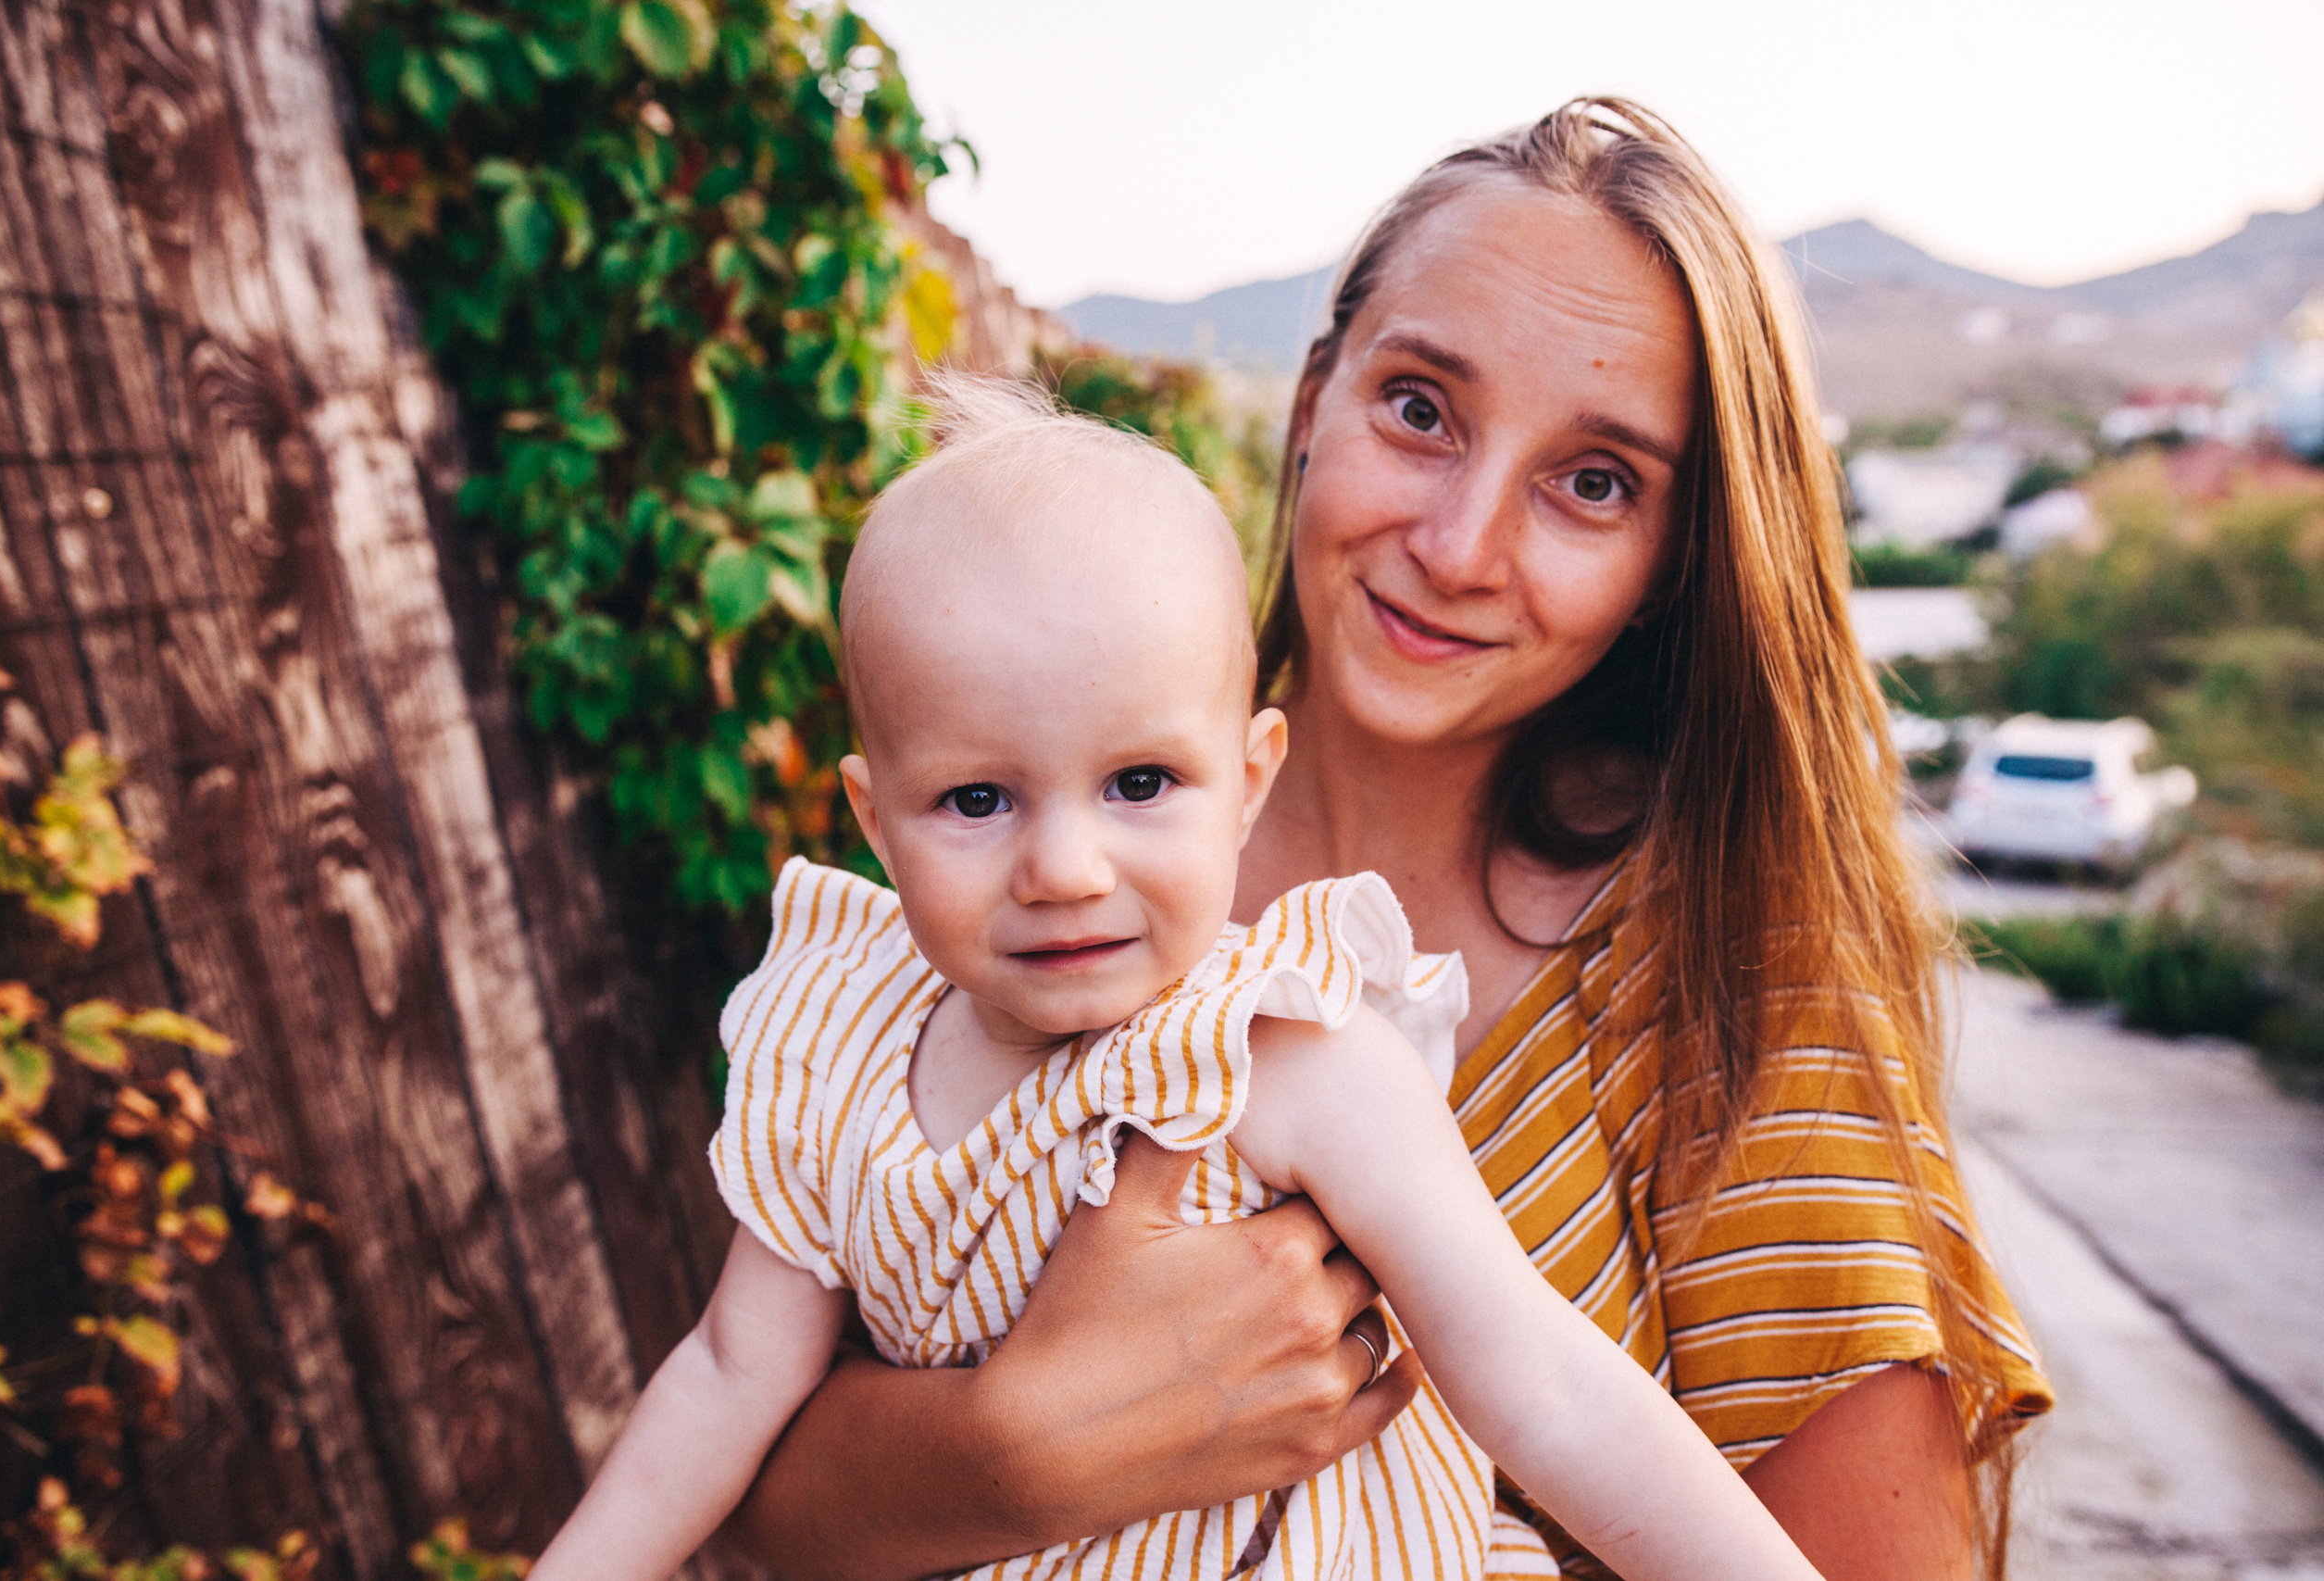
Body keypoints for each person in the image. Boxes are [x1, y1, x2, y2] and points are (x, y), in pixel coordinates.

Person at [737, 99, 2052, 1580]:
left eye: (1594, 481)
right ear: (1314, 400)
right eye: (1421, 409)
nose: (1461, 543)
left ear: (1670, 561)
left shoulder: (1721, 983)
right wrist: (1027, 1443)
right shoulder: (1026, 854)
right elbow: (770, 1489)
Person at [531, 380, 1833, 1581]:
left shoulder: (1286, 1049)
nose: (1064, 867)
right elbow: (726, 1374)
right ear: (875, 824)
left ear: (1248, 779)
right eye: (975, 799)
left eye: (1140, 784)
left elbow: (1543, 1381)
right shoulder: (838, 1057)